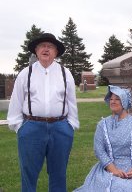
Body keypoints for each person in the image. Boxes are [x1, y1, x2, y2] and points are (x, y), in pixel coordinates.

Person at [7, 33, 79, 192]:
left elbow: (71, 101)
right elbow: (16, 100)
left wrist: (71, 126)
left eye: (50, 46)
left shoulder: (65, 73)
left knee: (59, 172)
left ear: (56, 52)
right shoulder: (26, 73)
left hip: (61, 128)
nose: (46, 49)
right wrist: (20, 126)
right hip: (32, 128)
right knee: (28, 172)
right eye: (42, 46)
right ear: (36, 50)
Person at [74, 85, 132, 192]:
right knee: (108, 185)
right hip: (108, 167)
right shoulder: (102, 124)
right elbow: (99, 150)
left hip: (131, 168)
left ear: (125, 102)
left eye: (117, 99)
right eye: (111, 99)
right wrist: (114, 170)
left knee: (128, 188)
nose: (112, 101)